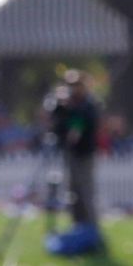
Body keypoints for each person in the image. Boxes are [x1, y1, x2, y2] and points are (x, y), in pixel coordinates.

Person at [48, 71, 100, 230]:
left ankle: (91, 227)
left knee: (85, 192)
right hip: (69, 154)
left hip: (84, 153)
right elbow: (56, 121)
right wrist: (60, 103)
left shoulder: (88, 105)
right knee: (73, 192)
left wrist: (73, 108)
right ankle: (77, 224)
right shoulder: (65, 105)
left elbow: (82, 125)